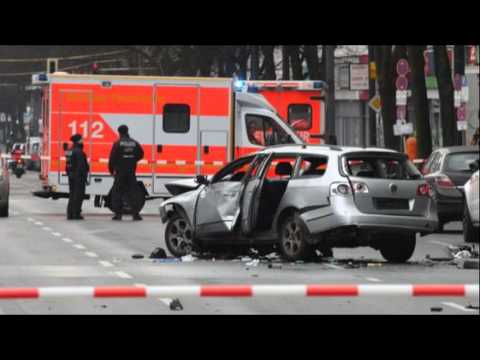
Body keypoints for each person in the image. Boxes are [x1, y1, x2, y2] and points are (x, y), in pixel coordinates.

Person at [108, 125, 144, 221]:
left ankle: (118, 214)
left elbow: (112, 159)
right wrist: (133, 160)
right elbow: (141, 154)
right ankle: (136, 214)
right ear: (127, 131)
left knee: (117, 192)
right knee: (133, 192)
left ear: (119, 133)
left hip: (120, 172)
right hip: (131, 171)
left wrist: (111, 170)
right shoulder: (134, 143)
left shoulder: (117, 143)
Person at [66, 134, 89, 220]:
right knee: (78, 195)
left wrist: (69, 173)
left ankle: (70, 213)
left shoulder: (69, 150)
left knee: (72, 195)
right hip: (78, 177)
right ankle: (76, 213)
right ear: (78, 141)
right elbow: (81, 166)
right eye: (81, 139)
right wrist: (83, 177)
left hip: (71, 176)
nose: (83, 140)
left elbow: (67, 165)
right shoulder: (79, 152)